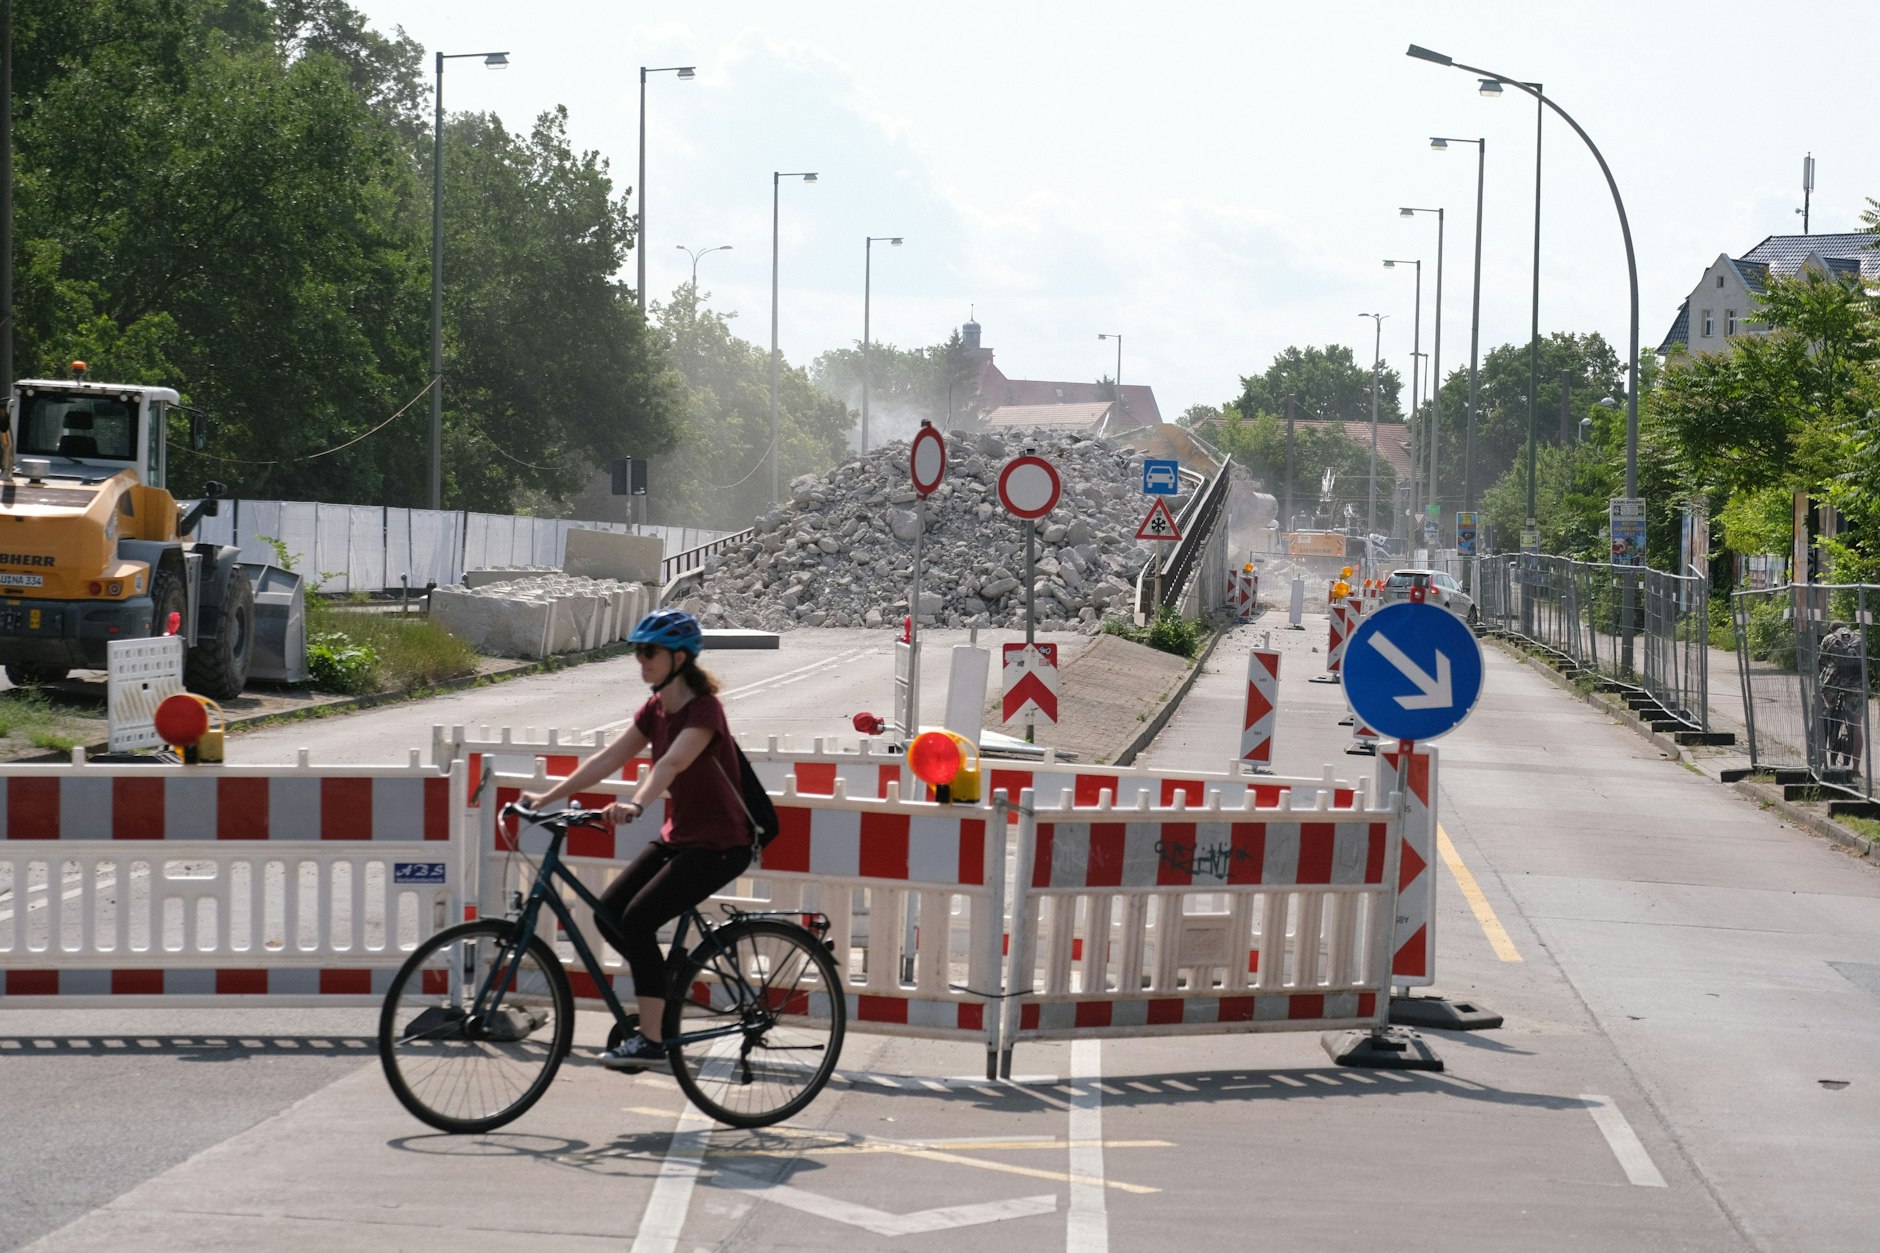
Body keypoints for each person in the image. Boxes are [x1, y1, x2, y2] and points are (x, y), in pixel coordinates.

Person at [520, 608, 752, 1071]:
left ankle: (651, 1039)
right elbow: (608, 758)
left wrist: (637, 804)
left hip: (721, 844)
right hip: (683, 837)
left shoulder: (704, 710)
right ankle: (662, 991)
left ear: (680, 658)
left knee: (640, 920)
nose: (640, 660)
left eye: (650, 651)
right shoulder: (655, 708)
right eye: (637, 651)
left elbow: (670, 765)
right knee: (609, 915)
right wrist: (546, 798)